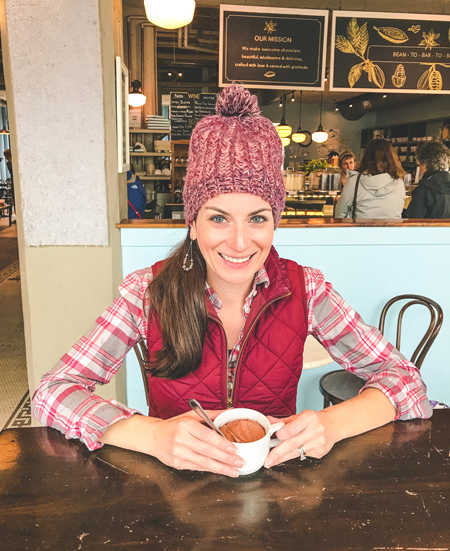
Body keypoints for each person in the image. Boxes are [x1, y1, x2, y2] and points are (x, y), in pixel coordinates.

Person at [33, 86, 431, 478]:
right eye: (218, 218)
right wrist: (150, 434)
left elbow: (406, 382)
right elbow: (53, 392)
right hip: (173, 495)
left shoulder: (306, 289)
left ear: (275, 222)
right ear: (192, 223)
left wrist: (333, 423)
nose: (240, 243)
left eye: (257, 218)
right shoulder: (147, 292)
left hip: (275, 491)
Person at [335, 139, 405, 219]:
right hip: (391, 231)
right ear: (391, 158)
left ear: (366, 157)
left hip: (361, 230)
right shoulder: (399, 183)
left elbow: (339, 215)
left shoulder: (355, 182)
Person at [402, 139, 450, 218]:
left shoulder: (424, 190)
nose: (420, 169)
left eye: (419, 165)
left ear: (425, 164)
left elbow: (412, 220)